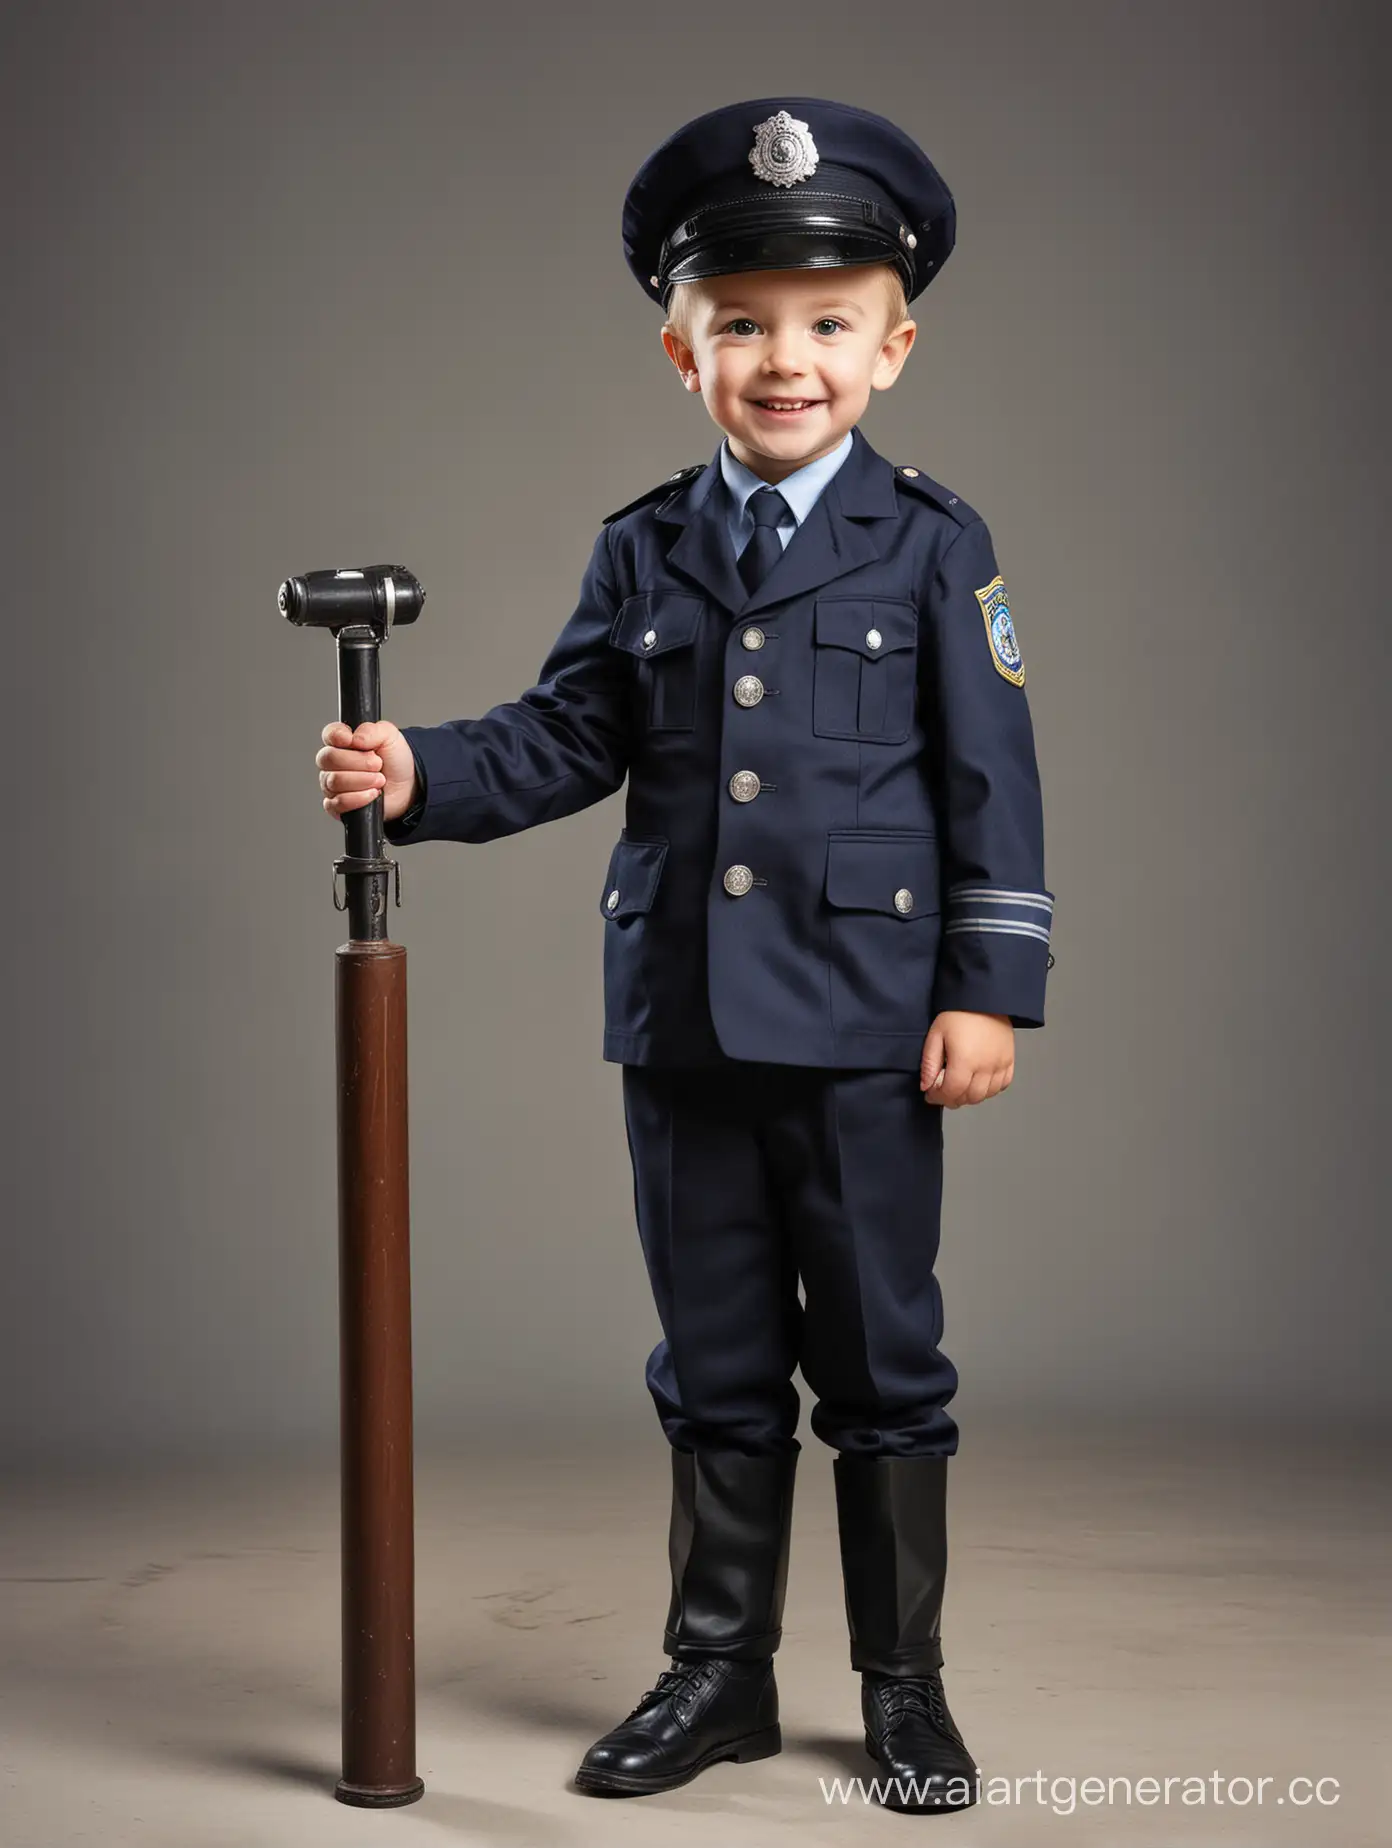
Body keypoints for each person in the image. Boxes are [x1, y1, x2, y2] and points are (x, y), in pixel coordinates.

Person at [314, 97, 1053, 1813]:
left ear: (892, 346)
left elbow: (990, 785)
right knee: (713, 1360)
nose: (783, 360)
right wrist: (423, 769)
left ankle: (904, 1687)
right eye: (742, 325)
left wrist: (985, 987)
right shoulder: (644, 546)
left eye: (824, 325)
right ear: (681, 345)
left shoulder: (936, 548)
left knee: (880, 1362)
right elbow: (572, 736)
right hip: (684, 1025)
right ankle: (717, 1673)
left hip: (873, 1025)